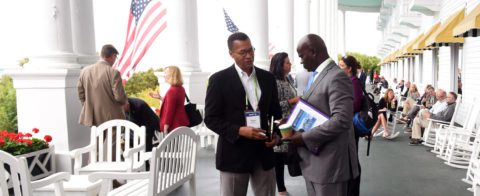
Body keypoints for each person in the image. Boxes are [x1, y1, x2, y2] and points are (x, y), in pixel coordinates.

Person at [204, 32, 283, 196]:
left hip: (264, 153)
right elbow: (211, 119)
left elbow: (275, 113)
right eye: (242, 52)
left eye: (251, 50)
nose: (249, 56)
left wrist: (276, 135)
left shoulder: (267, 78)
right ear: (231, 54)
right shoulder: (219, 80)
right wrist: (239, 130)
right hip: (234, 153)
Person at [285, 34, 359, 196]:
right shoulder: (317, 74)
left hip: (330, 165)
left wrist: (303, 138)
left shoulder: (336, 76)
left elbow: (341, 120)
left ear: (313, 51)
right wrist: (291, 121)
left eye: (301, 56)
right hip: (315, 163)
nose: (301, 61)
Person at [269, 52, 300, 196]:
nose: (290, 64)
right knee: (279, 157)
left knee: (286, 154)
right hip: (280, 123)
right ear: (280, 65)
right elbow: (273, 106)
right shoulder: (274, 82)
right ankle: (281, 189)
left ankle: (282, 187)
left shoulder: (287, 79)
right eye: (287, 62)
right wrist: (292, 101)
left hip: (290, 122)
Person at [77, 44, 127, 126]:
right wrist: (125, 101)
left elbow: (81, 94)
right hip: (112, 117)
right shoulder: (113, 72)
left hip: (92, 116)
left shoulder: (84, 71)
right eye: (115, 57)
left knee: (96, 138)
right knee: (112, 139)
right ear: (113, 56)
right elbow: (119, 97)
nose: (115, 60)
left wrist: (89, 107)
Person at [339, 55, 363, 196]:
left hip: (351, 126)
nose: (339, 67)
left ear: (349, 68)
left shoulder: (354, 82)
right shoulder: (348, 81)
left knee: (352, 161)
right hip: (348, 125)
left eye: (342, 65)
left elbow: (355, 104)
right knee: (350, 160)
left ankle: (352, 192)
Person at [150, 66, 189, 132]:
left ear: (172, 75)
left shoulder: (172, 90)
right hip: (181, 123)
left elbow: (170, 110)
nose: (164, 75)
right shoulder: (180, 88)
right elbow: (174, 104)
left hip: (174, 126)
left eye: (165, 73)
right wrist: (161, 98)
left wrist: (166, 126)